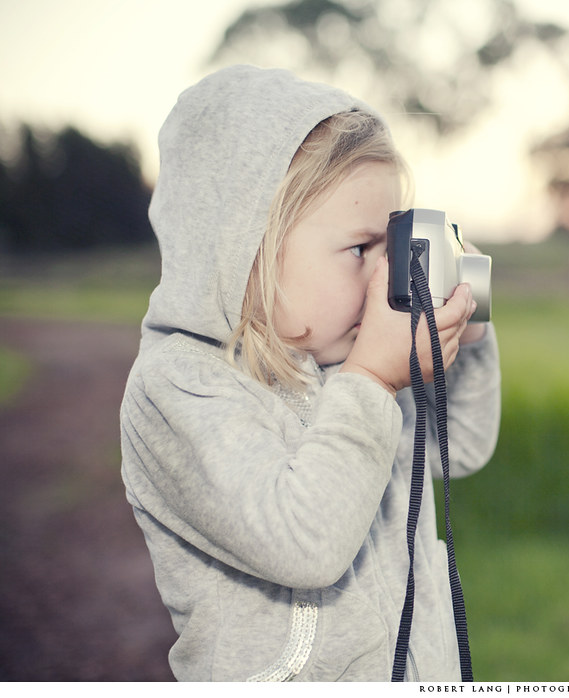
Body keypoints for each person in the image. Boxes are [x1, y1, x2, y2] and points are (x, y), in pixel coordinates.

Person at [119, 65, 501, 682]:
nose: (388, 277)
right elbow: (306, 543)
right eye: (361, 249)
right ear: (249, 252)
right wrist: (374, 380)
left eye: (395, 245)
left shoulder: (353, 366)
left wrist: (471, 334)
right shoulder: (181, 390)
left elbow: (464, 447)